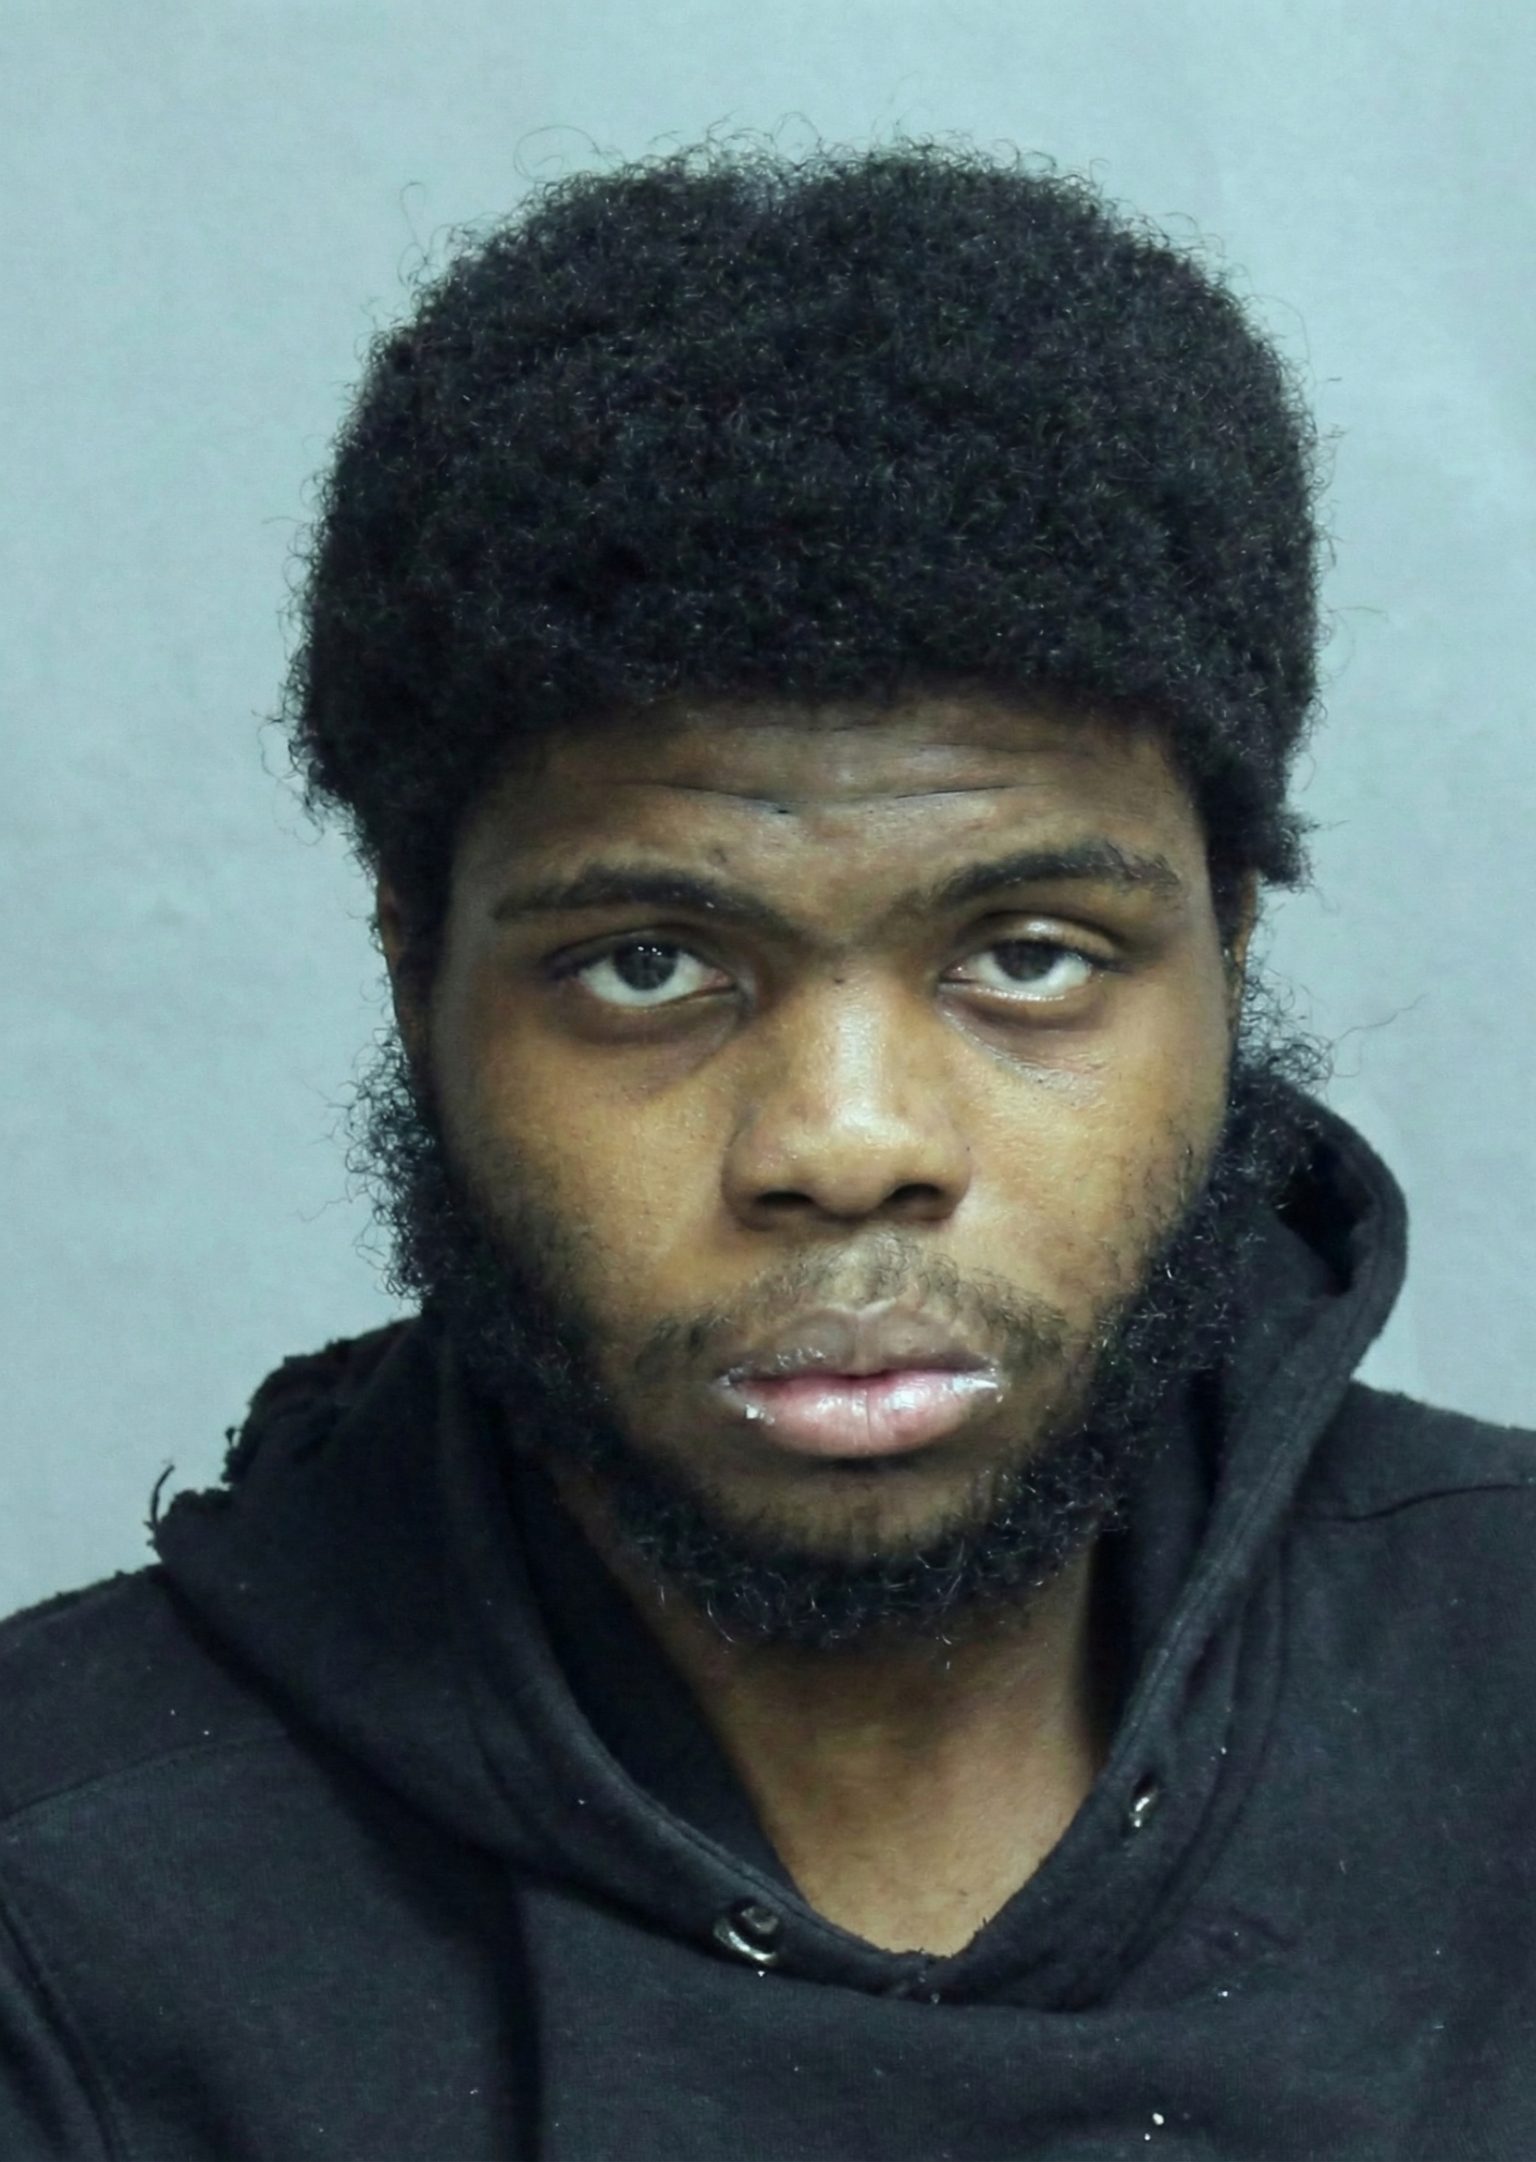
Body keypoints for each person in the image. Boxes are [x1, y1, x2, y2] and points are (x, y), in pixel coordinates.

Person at [2, 138, 1532, 2161]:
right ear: (417, 970)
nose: (849, 1142)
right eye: (649, 963)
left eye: (1029, 953)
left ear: (1228, 946)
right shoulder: (62, 1904)